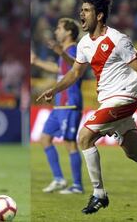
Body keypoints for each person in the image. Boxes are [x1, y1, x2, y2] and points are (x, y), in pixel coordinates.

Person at [37, 0, 137, 216]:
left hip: (124, 98)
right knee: (134, 153)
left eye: (86, 10)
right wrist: (54, 89)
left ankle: (99, 194)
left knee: (84, 137)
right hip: (108, 101)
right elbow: (75, 73)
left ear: (99, 16)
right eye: (81, 10)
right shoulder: (85, 44)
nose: (81, 13)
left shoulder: (118, 40)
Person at [31, 18, 84, 194]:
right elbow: (58, 69)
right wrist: (37, 62)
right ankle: (59, 179)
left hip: (70, 103)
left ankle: (77, 185)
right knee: (45, 138)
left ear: (69, 32)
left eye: (59, 28)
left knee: (69, 143)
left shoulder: (74, 49)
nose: (56, 31)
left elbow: (76, 68)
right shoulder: (66, 51)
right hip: (59, 104)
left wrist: (62, 53)